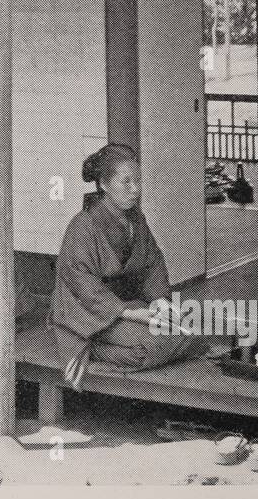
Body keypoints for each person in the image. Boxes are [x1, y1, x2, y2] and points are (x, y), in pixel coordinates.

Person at [50, 144, 216, 388]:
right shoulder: (83, 226)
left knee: (193, 331)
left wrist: (159, 300)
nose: (135, 190)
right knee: (151, 346)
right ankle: (90, 346)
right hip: (91, 314)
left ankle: (127, 338)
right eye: (126, 182)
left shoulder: (136, 218)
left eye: (138, 181)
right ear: (104, 184)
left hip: (128, 306)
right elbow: (83, 285)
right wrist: (132, 314)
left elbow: (152, 261)